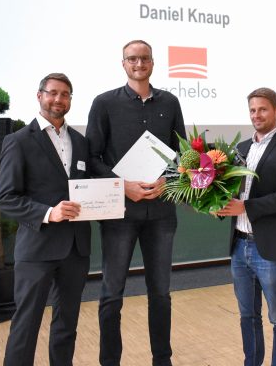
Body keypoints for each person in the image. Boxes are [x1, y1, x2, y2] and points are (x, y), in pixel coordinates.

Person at [86, 40, 186, 366]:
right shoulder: (104, 103)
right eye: (132, 58)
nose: (138, 63)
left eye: (144, 58)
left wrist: (167, 180)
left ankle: (162, 360)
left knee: (160, 294)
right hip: (120, 213)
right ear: (123, 63)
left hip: (161, 213)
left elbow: (182, 154)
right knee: (112, 294)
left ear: (152, 63)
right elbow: (92, 157)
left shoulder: (170, 102)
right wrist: (122, 186)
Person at [0, 73, 91, 366]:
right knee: (25, 327)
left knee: (66, 326)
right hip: (37, 249)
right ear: (39, 96)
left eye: (65, 94)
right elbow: (6, 199)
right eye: (52, 93)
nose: (58, 99)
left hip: (76, 249)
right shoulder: (19, 141)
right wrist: (50, 213)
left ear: (70, 100)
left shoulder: (80, 141)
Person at [216, 87, 276, 366]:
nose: (257, 115)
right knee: (247, 316)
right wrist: (216, 204)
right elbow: (230, 192)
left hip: (270, 246)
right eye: (253, 110)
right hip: (239, 245)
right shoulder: (240, 149)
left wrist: (246, 207)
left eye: (263, 109)